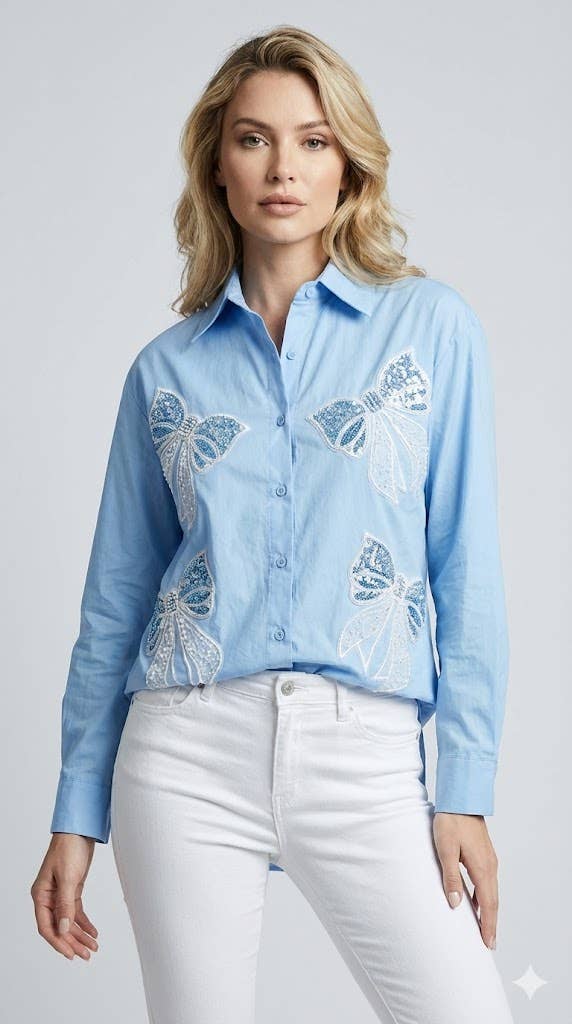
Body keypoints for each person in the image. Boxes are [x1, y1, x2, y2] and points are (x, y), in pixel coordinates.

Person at [30, 24, 514, 1024]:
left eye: (312, 140)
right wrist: (77, 811)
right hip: (183, 753)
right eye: (253, 139)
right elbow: (116, 600)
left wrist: (462, 786)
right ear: (218, 164)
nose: (283, 167)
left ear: (348, 165)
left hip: (364, 754)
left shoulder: (430, 329)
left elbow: (465, 565)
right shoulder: (165, 372)